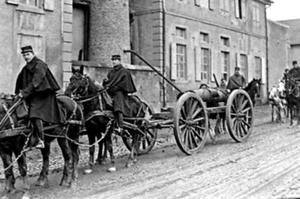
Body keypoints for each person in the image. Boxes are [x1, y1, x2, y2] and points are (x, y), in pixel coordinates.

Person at [15, 45, 65, 149]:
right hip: (33, 94)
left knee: (35, 114)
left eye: (28, 54)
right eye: (24, 55)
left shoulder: (40, 65)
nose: (26, 57)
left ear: (33, 54)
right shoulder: (26, 67)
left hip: (44, 95)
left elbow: (36, 81)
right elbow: (20, 80)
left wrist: (24, 93)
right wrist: (17, 94)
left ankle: (40, 140)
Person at [102, 54, 136, 134]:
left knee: (118, 106)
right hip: (110, 91)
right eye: (112, 60)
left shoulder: (124, 71)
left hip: (120, 93)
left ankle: (121, 126)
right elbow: (110, 81)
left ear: (119, 61)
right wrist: (106, 83)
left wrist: (116, 87)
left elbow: (125, 84)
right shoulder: (111, 72)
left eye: (115, 60)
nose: (113, 62)